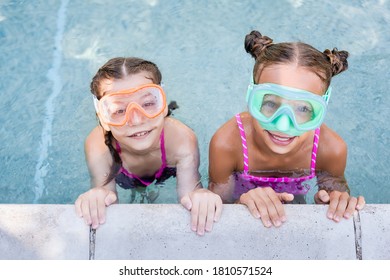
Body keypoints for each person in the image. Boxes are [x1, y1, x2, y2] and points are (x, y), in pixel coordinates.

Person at [208, 30, 365, 228]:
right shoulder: (228, 143)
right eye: (271, 104)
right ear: (251, 96)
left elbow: (335, 196)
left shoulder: (330, 150)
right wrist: (241, 203)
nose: (283, 125)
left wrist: (335, 203)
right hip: (246, 206)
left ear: (322, 106)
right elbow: (216, 209)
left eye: (303, 109)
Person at [75, 57, 222, 236]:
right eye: (119, 111)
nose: (137, 120)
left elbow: (189, 194)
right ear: (103, 118)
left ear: (162, 105)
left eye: (148, 104)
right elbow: (105, 199)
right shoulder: (99, 146)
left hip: (167, 169)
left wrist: (200, 197)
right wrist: (97, 197)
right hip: (122, 172)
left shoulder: (181, 140)